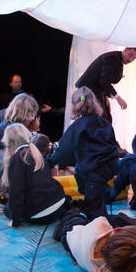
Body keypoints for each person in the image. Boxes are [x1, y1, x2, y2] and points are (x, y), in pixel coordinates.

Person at [46, 87, 121, 220]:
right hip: (107, 168)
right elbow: (113, 145)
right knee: (96, 197)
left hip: (92, 171)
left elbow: (63, 150)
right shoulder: (105, 124)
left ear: (75, 106)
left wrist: (47, 162)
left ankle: (112, 226)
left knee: (95, 212)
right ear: (94, 102)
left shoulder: (77, 127)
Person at [1, 123, 69, 227]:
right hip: (58, 205)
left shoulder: (18, 157)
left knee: (7, 208)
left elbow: (16, 191)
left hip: (41, 213)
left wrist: (15, 220)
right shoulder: (36, 153)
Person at [75, 47, 136, 122]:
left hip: (94, 90)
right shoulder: (112, 58)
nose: (130, 60)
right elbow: (104, 81)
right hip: (86, 91)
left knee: (106, 119)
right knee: (100, 119)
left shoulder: (118, 59)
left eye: (134, 58)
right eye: (130, 55)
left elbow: (104, 80)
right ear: (125, 50)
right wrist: (118, 99)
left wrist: (105, 95)